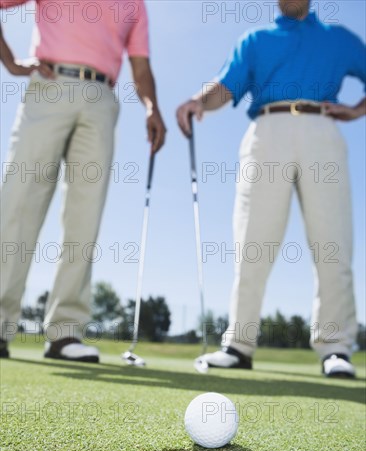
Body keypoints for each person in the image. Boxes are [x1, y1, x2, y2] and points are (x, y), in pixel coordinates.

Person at [177, 0, 365, 378]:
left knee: (332, 243)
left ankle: (335, 348)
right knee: (252, 243)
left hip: (321, 130)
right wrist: (198, 100)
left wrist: (357, 109)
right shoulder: (255, 39)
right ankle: (239, 345)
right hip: (267, 131)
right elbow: (227, 85)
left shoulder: (338, 38)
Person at [0, 0, 166, 363]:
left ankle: (65, 332)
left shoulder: (134, 4)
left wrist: (152, 106)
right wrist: (11, 61)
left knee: (84, 218)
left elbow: (140, 65)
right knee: (17, 205)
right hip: (49, 85)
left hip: (101, 99)